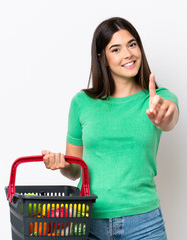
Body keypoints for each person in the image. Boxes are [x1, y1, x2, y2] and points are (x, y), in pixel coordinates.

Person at [41, 17, 179, 240]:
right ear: (102, 57)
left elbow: (169, 118)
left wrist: (164, 116)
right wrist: (63, 165)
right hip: (87, 221)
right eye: (116, 49)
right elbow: (75, 170)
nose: (128, 54)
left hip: (144, 224)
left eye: (132, 44)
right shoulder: (81, 103)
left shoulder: (158, 99)